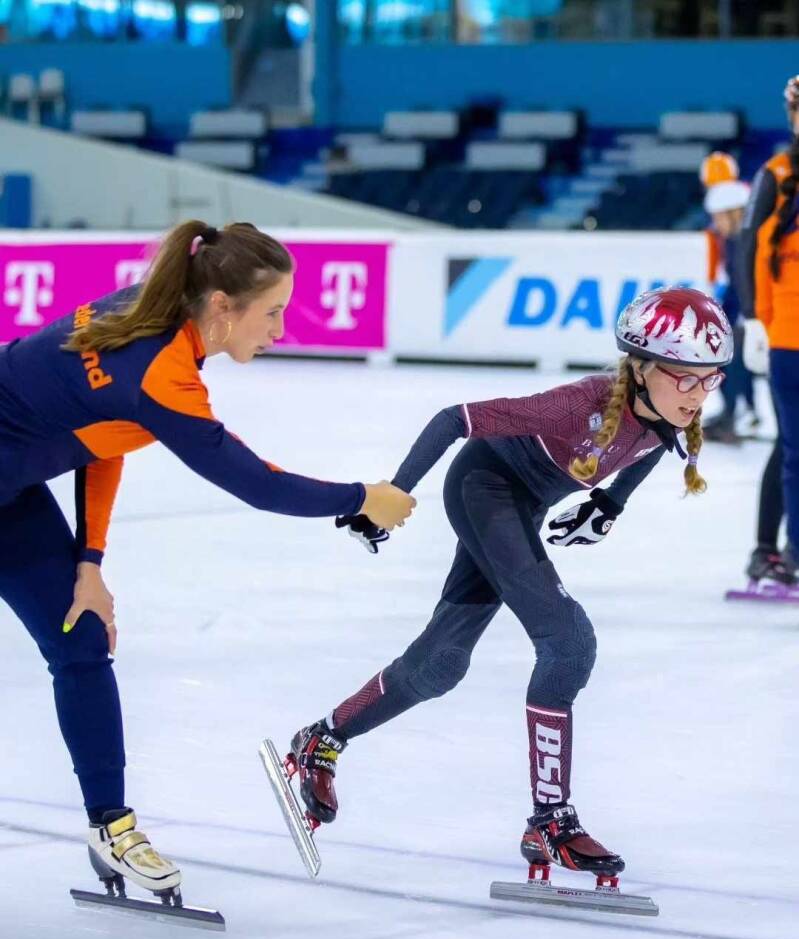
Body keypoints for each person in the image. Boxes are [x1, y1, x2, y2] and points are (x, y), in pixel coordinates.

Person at [0, 220, 415, 899]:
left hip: (9, 490)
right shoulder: (162, 369)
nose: (281, 329)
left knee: (80, 639)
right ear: (221, 306)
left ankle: (111, 827)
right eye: (273, 311)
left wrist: (90, 561)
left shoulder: (150, 312)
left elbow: (102, 438)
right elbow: (257, 483)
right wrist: (360, 497)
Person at [285, 287, 732, 886]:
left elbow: (652, 443)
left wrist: (610, 502)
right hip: (484, 489)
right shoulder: (576, 406)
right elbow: (453, 420)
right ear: (641, 366)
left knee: (441, 664)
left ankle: (322, 740)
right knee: (568, 641)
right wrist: (392, 493)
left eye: (712, 380)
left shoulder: (666, 405)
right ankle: (550, 820)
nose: (699, 395)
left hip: (521, 507)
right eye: (686, 378)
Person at [737, 75, 798, 587]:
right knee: (792, 446)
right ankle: (774, 550)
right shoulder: (775, 175)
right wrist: (754, 317)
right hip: (787, 337)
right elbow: (747, 245)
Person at [754, 165, 799, 586]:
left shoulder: (774, 226)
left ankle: (790, 552)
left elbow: (764, 298)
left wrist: (772, 330)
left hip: (784, 348)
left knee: (791, 453)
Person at [700, 155, 756, 444]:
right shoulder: (735, 238)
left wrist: (744, 315)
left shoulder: (743, 241)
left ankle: (740, 413)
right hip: (744, 308)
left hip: (753, 311)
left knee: (734, 359)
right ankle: (737, 411)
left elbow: (747, 281)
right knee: (730, 357)